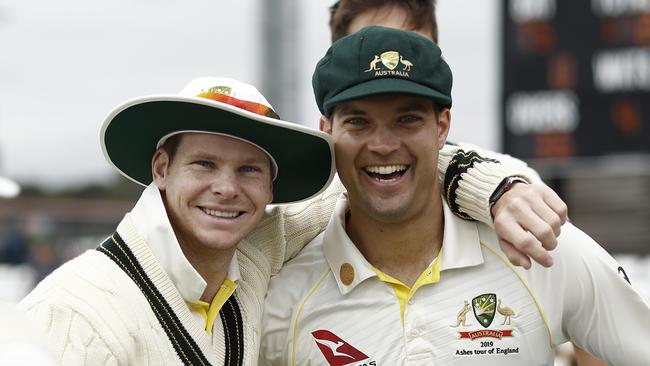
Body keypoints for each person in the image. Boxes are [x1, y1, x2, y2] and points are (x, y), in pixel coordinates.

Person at [259, 26, 650, 365]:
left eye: (407, 118)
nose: (382, 145)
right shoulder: (284, 295)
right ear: (327, 130)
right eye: (358, 121)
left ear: (442, 125)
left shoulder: (538, 250)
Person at [329, 1, 605, 363]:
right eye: (370, 44)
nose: (389, 57)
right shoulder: (307, 214)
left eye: (409, 46)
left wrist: (498, 189)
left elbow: (588, 310)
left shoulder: (516, 184)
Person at [19, 77, 337, 365]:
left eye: (249, 169)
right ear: (161, 169)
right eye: (204, 164)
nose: (226, 189)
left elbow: (339, 198)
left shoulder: (250, 257)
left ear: (270, 187)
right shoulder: (74, 312)